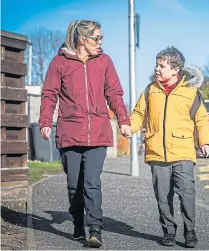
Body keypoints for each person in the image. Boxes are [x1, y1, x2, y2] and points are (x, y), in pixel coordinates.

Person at [39, 20, 131, 248]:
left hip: (98, 133)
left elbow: (115, 93)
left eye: (101, 38)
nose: (101, 43)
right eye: (96, 38)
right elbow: (50, 94)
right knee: (74, 186)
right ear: (82, 39)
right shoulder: (59, 62)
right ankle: (78, 223)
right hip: (70, 132)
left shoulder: (104, 61)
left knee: (91, 182)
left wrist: (124, 121)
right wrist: (45, 122)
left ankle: (95, 229)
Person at [129, 46, 209, 248]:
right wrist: (128, 128)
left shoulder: (191, 92)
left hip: (183, 151)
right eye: (157, 64)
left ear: (175, 69)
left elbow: (201, 118)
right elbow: (139, 114)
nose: (157, 68)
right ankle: (168, 232)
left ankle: (190, 231)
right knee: (163, 196)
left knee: (186, 193)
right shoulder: (150, 90)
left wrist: (205, 141)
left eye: (162, 65)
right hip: (157, 152)